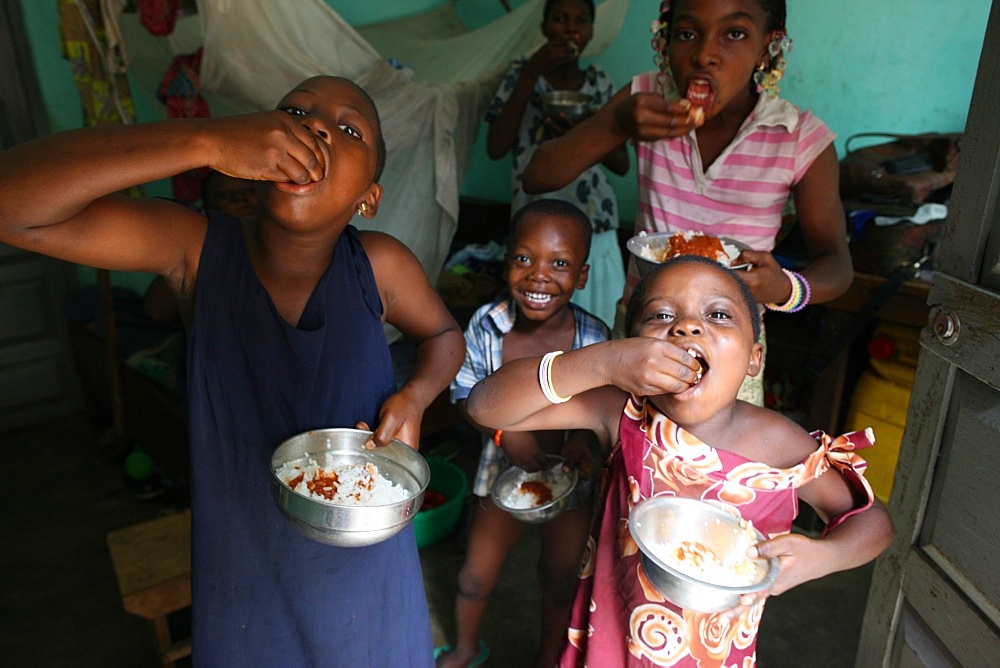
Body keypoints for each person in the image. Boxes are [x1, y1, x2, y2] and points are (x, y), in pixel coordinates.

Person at [0, 75, 465, 666]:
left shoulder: (380, 265)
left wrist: (418, 396)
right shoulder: (195, 250)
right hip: (245, 582)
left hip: (368, 580)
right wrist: (205, 141)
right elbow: (12, 208)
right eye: (295, 112)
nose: (315, 126)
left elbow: (445, 335)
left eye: (348, 129)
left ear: (368, 198)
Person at [464, 254, 895, 666]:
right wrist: (599, 363)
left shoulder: (781, 445)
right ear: (632, 349)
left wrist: (827, 556)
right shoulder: (622, 411)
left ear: (754, 358)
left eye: (719, 315)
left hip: (711, 653)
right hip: (608, 633)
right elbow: (485, 406)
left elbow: (873, 522)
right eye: (661, 316)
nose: (687, 327)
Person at [522, 0, 852, 404]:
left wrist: (785, 287)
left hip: (730, 353)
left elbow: (837, 263)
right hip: (640, 333)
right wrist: (616, 123)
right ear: (664, 40)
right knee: (623, 456)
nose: (704, 54)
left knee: (713, 466)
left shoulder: (799, 138)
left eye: (734, 33)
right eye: (686, 33)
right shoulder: (647, 99)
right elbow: (539, 175)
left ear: (768, 46)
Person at [436, 199, 610, 668]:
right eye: (524, 258)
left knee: (559, 583)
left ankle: (548, 659)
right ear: (506, 260)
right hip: (504, 480)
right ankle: (466, 648)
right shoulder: (487, 326)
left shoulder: (595, 338)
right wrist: (502, 434)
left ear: (583, 276)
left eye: (559, 263)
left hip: (574, 485)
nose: (538, 275)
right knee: (474, 576)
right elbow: (462, 394)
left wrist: (582, 440)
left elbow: (605, 408)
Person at [486, 0, 630, 328]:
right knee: (539, 327)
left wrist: (586, 135)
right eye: (560, 19)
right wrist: (531, 72)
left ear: (591, 32)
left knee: (597, 329)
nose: (570, 29)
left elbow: (622, 165)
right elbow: (496, 146)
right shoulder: (521, 75)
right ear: (544, 27)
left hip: (595, 226)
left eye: (581, 21)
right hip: (536, 225)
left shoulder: (599, 84)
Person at [144, 169, 258, 324]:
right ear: (209, 208)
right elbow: (157, 310)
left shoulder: (287, 243)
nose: (239, 198)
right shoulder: (203, 249)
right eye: (224, 195)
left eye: (248, 190)